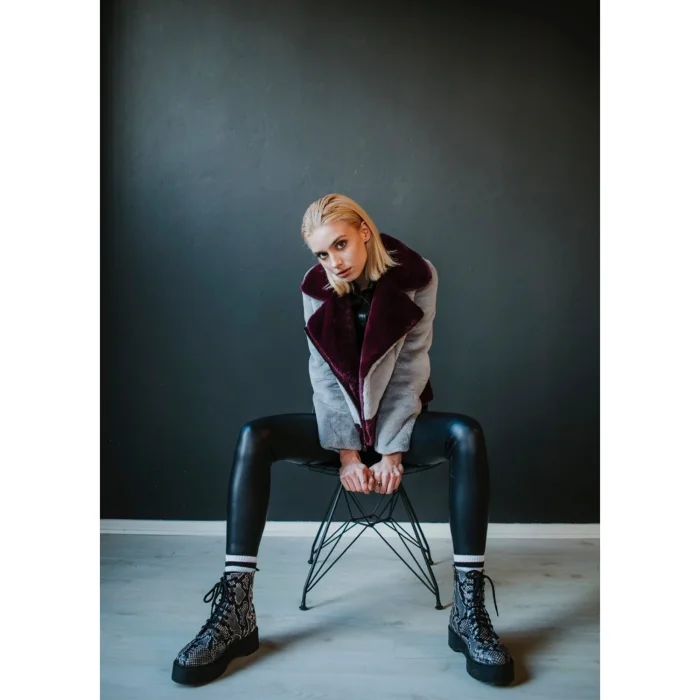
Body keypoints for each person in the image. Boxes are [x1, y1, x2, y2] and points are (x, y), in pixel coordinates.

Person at [171, 193, 514, 687]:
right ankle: (235, 613)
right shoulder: (316, 287)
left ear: (364, 232)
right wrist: (348, 454)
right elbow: (324, 377)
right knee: (255, 435)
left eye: (340, 244)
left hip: (399, 424)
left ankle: (468, 611)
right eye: (321, 253)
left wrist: (391, 450)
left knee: (466, 433)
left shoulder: (418, 276)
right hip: (340, 429)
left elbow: (410, 369)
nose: (334, 262)